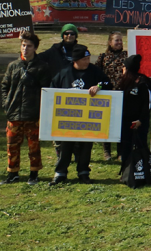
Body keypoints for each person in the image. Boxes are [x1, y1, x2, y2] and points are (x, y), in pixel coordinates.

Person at [49, 45, 112, 185]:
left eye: (89, 58)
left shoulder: (95, 72)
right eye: (84, 59)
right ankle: (60, 173)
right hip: (68, 119)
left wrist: (99, 87)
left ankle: (83, 172)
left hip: (87, 119)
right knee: (65, 146)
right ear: (75, 60)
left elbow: (108, 83)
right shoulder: (64, 73)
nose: (87, 61)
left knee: (85, 146)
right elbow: (52, 90)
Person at [1, 32, 52, 185]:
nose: (25, 48)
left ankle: (34, 173)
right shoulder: (13, 66)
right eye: (23, 45)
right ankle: (12, 173)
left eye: (29, 46)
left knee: (34, 146)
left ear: (35, 48)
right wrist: (6, 103)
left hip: (33, 114)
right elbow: (4, 86)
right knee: (12, 146)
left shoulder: (42, 67)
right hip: (14, 114)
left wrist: (40, 108)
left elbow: (46, 89)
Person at [115, 55, 151, 172]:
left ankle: (144, 170)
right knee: (125, 146)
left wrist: (141, 120)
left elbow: (147, 103)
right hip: (125, 121)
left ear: (127, 69)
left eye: (124, 67)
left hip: (138, 122)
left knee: (140, 145)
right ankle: (126, 170)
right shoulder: (123, 82)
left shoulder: (142, 82)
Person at [94, 32, 126, 161]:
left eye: (121, 40)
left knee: (121, 123)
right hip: (106, 95)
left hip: (122, 94)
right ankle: (107, 151)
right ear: (110, 42)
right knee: (107, 123)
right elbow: (96, 73)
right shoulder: (103, 57)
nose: (119, 42)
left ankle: (120, 152)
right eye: (116, 40)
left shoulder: (126, 55)